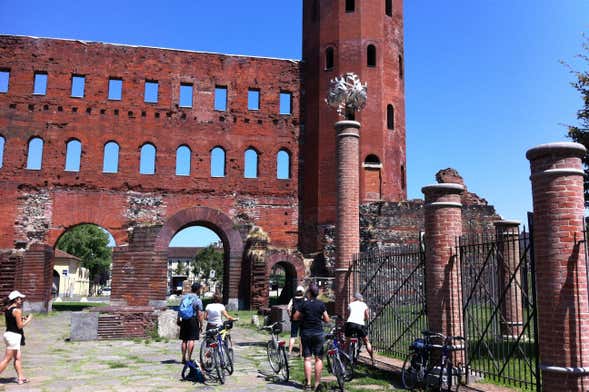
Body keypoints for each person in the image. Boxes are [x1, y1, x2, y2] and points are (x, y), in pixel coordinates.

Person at [293, 283, 330, 391]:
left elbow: (295, 317)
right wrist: (319, 318)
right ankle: (317, 384)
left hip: (306, 333)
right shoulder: (321, 304)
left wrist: (303, 316)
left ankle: (308, 384)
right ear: (317, 294)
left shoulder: (304, 304)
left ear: (309, 293)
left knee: (307, 359)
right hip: (318, 333)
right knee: (318, 359)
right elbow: (327, 319)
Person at [0, 290, 32, 385]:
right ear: (15, 299)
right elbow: (20, 326)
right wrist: (28, 320)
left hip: (9, 334)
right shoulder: (17, 310)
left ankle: (21, 378)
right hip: (14, 336)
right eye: (20, 299)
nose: (21, 300)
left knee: (18, 357)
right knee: (7, 359)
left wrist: (22, 319)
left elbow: (12, 321)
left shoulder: (8, 309)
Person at [345, 292, 374, 364]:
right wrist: (363, 319)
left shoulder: (350, 304)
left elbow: (348, 315)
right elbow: (367, 316)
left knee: (347, 342)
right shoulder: (364, 304)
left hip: (350, 323)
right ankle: (373, 360)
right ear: (360, 298)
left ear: (355, 298)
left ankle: (345, 359)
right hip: (360, 324)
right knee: (367, 341)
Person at [178, 282, 204, 365]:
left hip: (184, 319)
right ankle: (189, 359)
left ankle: (183, 358)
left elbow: (180, 309)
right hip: (193, 320)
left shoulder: (184, 297)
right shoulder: (197, 300)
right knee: (191, 340)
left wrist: (178, 319)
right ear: (198, 289)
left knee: (184, 340)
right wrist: (201, 324)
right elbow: (199, 314)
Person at [287, 285, 305, 356]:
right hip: (303, 319)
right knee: (301, 336)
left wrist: (290, 315)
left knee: (293, 336)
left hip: (294, 319)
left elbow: (288, 308)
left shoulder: (293, 299)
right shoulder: (305, 299)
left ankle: (289, 352)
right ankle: (301, 353)